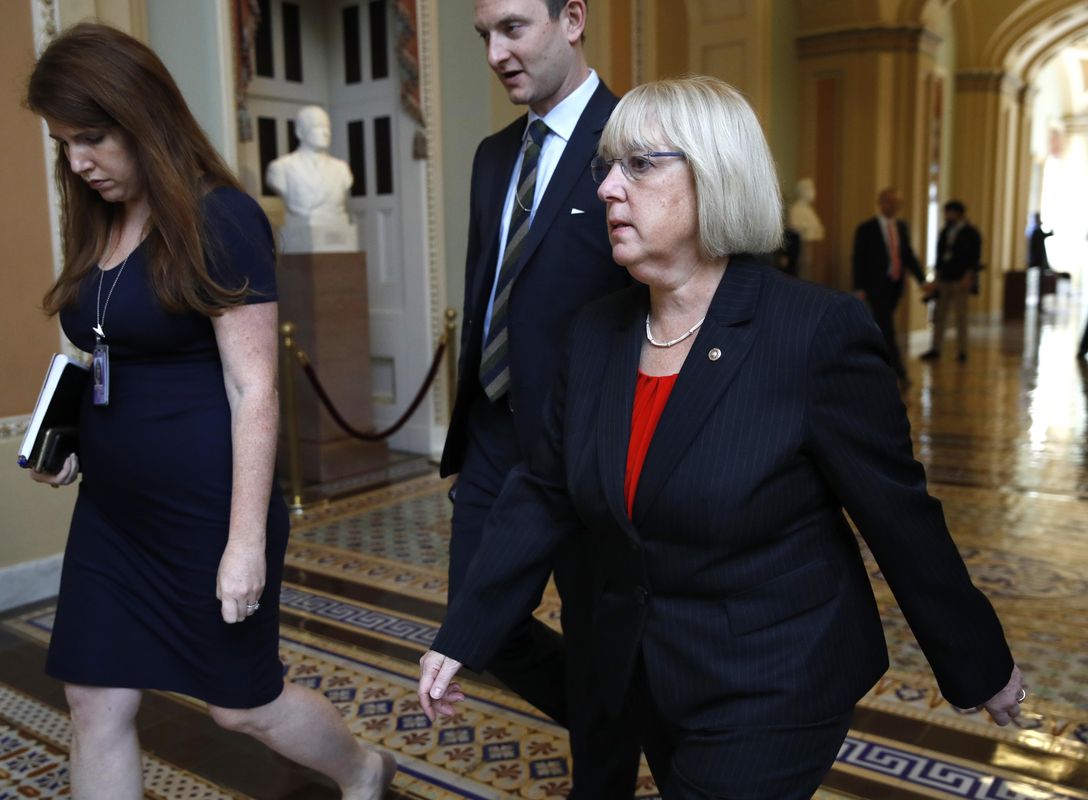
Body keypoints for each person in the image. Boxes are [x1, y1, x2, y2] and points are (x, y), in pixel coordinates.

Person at [418, 76, 1026, 799]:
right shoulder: (595, 333)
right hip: (649, 671)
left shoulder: (812, 334)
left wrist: (979, 662)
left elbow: (898, 515)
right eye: (606, 167)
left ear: (715, 176)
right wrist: (467, 630)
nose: (609, 188)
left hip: (775, 678)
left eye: (640, 165)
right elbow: (544, 490)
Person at [24, 24, 393, 799]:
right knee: (93, 698)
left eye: (91, 138)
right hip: (112, 515)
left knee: (241, 706)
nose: (77, 161)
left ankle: (361, 770)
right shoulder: (99, 216)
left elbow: (253, 388)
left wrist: (244, 544)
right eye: (63, 143)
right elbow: (106, 351)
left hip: (207, 512)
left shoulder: (219, 217)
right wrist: (73, 439)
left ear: (143, 117)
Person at [440, 0, 639, 794]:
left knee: (599, 641)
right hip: (495, 435)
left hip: (591, 451)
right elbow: (490, 289)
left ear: (574, 18)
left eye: (514, 28)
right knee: (477, 627)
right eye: (484, 35)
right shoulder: (495, 157)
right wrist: (465, 437)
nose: (495, 52)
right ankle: (621, 722)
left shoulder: (634, 139)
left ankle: (609, 759)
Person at [853, 187, 928, 386]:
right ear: (880, 203)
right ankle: (900, 373)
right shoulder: (867, 228)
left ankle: (871, 367)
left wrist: (922, 281)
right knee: (887, 329)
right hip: (874, 287)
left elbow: (908, 257)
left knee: (881, 329)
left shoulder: (902, 227)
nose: (893, 206)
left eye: (896, 203)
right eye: (889, 202)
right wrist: (859, 287)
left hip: (894, 287)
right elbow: (858, 259)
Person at [264, 105, 354, 226]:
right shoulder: (281, 167)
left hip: (337, 225)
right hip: (301, 228)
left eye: (326, 127)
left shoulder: (341, 169)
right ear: (300, 132)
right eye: (317, 127)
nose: (325, 132)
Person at [920, 200, 981, 362]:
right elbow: (939, 257)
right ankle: (935, 348)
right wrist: (936, 279)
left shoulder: (971, 233)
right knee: (939, 315)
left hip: (960, 280)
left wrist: (968, 276)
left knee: (961, 317)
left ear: (959, 213)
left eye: (950, 212)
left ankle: (962, 351)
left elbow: (974, 258)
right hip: (944, 279)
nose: (947, 216)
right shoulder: (945, 231)